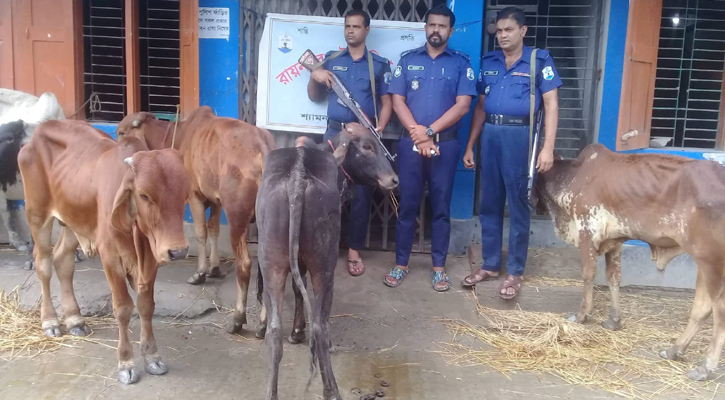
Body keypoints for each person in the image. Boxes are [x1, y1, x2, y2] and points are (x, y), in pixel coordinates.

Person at [461, 6, 562, 299]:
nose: (503, 35)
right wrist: (470, 145)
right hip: (491, 135)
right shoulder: (490, 62)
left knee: (518, 206)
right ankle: (490, 265)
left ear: (522, 31)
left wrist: (548, 148)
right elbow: (480, 108)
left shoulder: (538, 61)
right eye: (499, 30)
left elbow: (552, 105)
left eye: (509, 30)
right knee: (489, 203)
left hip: (521, 137)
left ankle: (515, 272)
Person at [384, 4, 477, 292]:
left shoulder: (461, 63)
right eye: (431, 25)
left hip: (445, 146)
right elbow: (397, 99)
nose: (436, 30)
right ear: (426, 28)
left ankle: (439, 268)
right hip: (410, 144)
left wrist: (428, 132)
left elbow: (463, 105)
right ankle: (401, 264)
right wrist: (418, 135)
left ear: (450, 30)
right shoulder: (407, 59)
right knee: (408, 205)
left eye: (442, 26)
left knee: (440, 208)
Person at [307, 9, 393, 277]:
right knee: (324, 194)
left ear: (367, 30)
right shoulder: (331, 61)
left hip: (363, 140)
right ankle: (322, 249)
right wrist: (314, 75)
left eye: (356, 26)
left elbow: (387, 102)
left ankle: (354, 250)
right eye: (347, 26)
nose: (350, 31)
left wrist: (377, 128)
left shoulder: (378, 65)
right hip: (334, 136)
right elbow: (313, 97)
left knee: (362, 198)